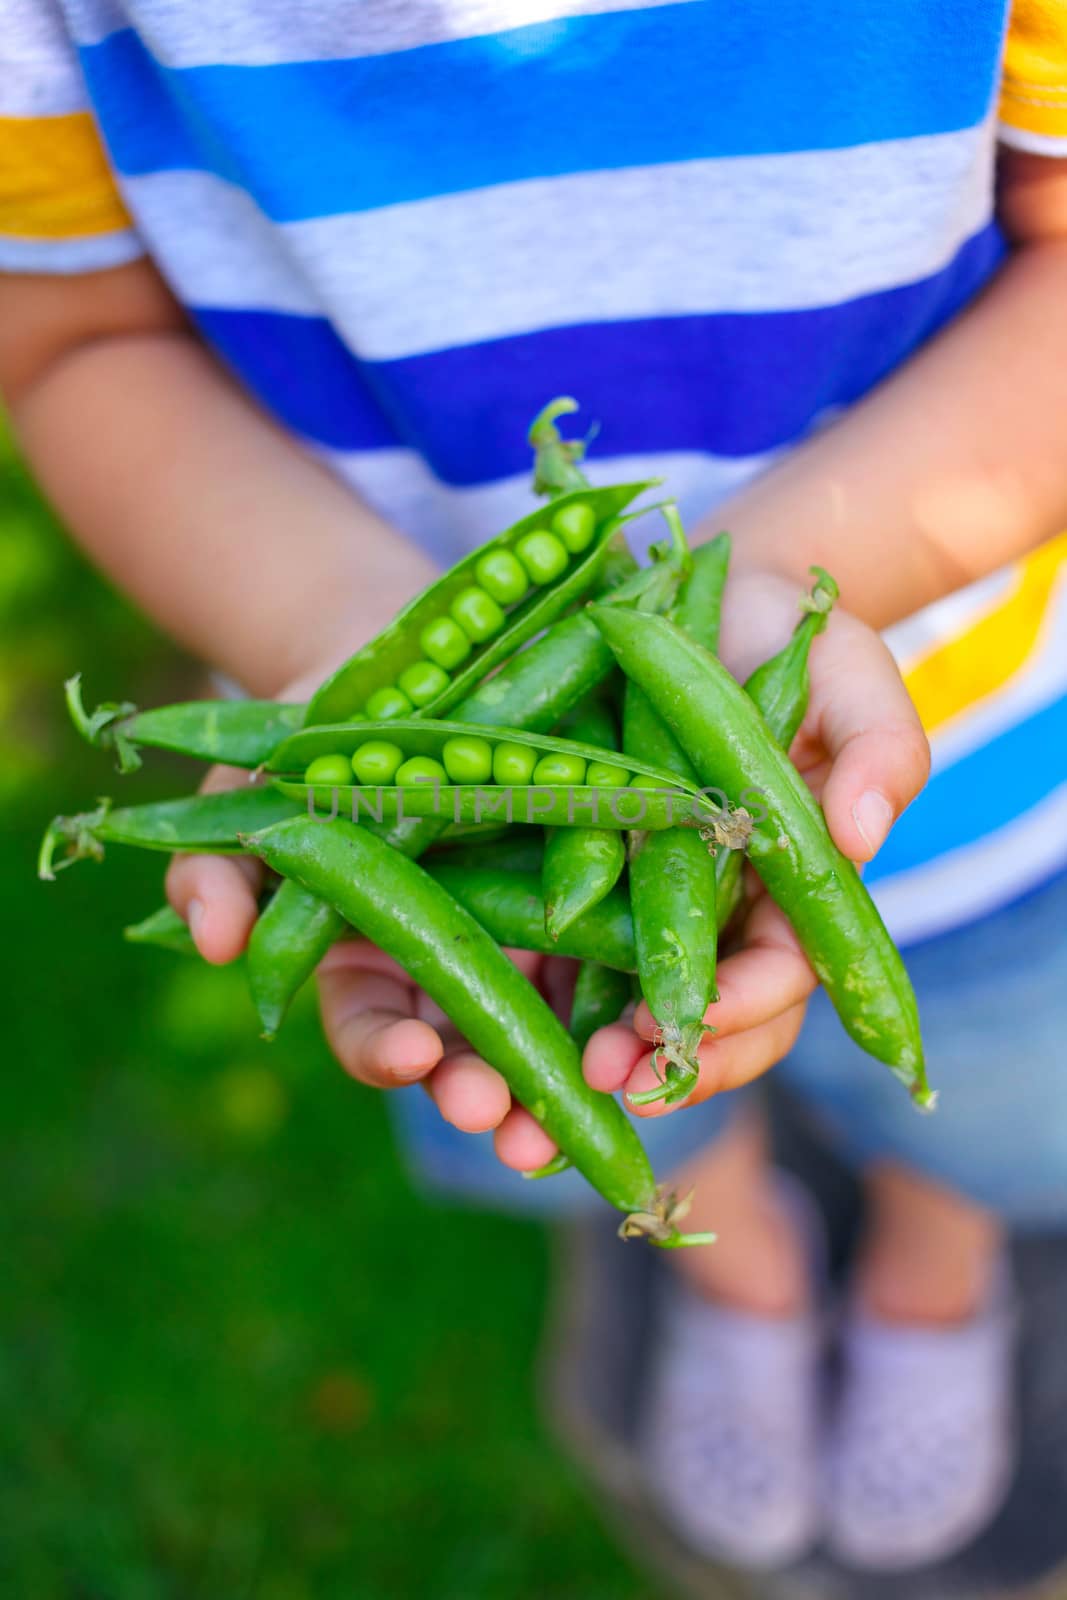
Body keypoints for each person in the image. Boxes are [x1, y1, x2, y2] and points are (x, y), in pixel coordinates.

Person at [3, 0, 1067, 1572]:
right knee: (565, 1059)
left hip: (979, 748)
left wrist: (779, 570)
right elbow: (72, 332)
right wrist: (325, 640)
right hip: (424, 796)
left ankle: (934, 1267)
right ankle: (735, 1264)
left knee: (994, 1103)